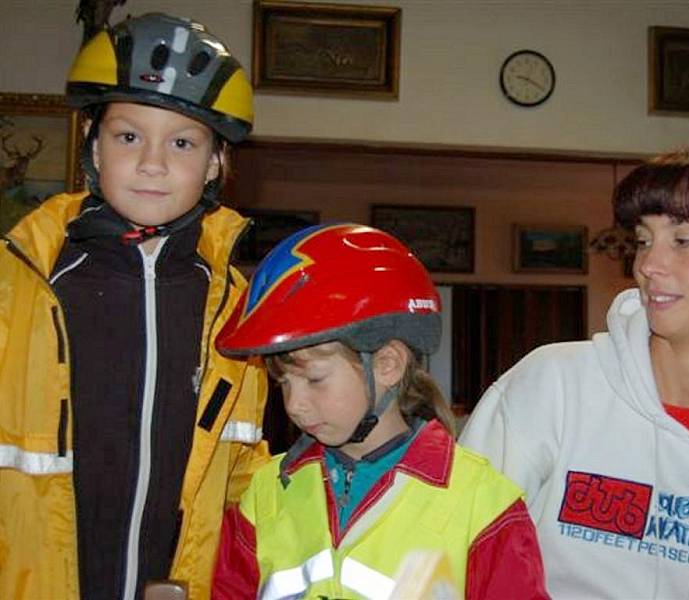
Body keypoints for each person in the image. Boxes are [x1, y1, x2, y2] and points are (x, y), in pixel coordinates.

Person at [0, 13, 269, 600]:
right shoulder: (18, 282)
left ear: (216, 162)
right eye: (129, 136)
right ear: (93, 145)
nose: (153, 163)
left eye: (181, 142)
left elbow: (244, 476)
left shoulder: (234, 305)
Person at [460, 142, 689, 598]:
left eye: (683, 241)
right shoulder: (554, 387)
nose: (647, 265)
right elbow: (453, 553)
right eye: (644, 240)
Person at [211, 223, 550, 599]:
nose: (294, 404)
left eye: (315, 379)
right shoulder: (266, 494)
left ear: (387, 364)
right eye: (284, 384)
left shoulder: (482, 504)